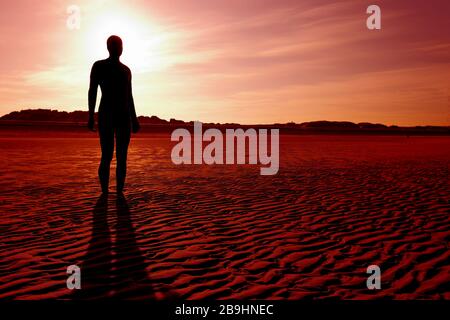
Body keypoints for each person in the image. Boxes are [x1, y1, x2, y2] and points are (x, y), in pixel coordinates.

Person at [88, 35, 140, 194]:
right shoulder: (99, 66)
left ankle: (119, 191)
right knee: (107, 154)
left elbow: (129, 95)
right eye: (116, 45)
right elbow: (92, 91)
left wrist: (134, 118)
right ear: (109, 47)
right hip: (106, 115)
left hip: (124, 116)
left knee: (122, 156)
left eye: (120, 45)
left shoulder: (126, 70)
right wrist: (91, 115)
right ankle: (104, 191)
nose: (119, 48)